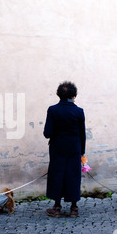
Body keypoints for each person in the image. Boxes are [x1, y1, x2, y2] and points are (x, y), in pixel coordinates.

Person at [43, 81, 86, 218]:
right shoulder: (79, 111)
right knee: (73, 176)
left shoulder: (53, 110)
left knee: (57, 175)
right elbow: (82, 134)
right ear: (74, 95)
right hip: (74, 148)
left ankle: (56, 207)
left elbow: (47, 133)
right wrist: (82, 152)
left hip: (57, 149)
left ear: (59, 95)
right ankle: (74, 208)